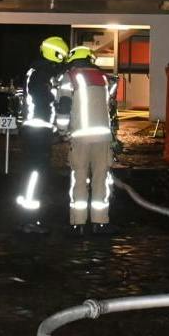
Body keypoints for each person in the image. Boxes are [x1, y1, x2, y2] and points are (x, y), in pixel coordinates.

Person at [55, 46, 118, 237]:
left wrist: (62, 130)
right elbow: (110, 108)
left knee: (79, 178)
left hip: (80, 136)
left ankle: (78, 223)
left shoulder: (69, 77)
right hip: (103, 137)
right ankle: (100, 222)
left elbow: (64, 106)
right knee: (101, 179)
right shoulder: (104, 78)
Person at [14, 35, 69, 230]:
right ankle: (29, 220)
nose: (62, 62)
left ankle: (28, 217)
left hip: (35, 130)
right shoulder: (42, 74)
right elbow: (45, 101)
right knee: (35, 174)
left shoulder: (37, 71)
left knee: (33, 173)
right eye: (61, 57)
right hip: (38, 130)